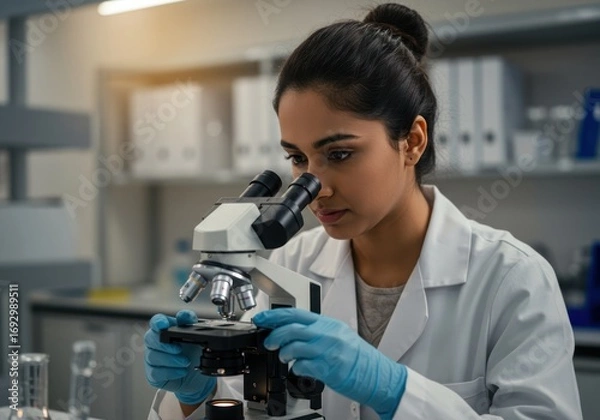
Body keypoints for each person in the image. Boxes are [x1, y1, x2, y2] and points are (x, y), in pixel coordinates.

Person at [144, 3, 583, 419]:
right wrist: (192, 394)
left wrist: (393, 389)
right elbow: (241, 399)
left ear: (411, 141)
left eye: (338, 154)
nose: (315, 188)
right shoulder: (288, 265)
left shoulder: (512, 279)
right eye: (297, 158)